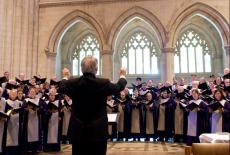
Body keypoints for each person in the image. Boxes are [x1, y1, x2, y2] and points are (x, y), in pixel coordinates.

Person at [59, 55, 127, 155]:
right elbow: (119, 86)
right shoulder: (103, 83)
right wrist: (122, 75)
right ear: (96, 69)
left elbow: (62, 86)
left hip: (79, 131)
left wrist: (65, 76)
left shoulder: (73, 83)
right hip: (98, 131)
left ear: (81, 68)